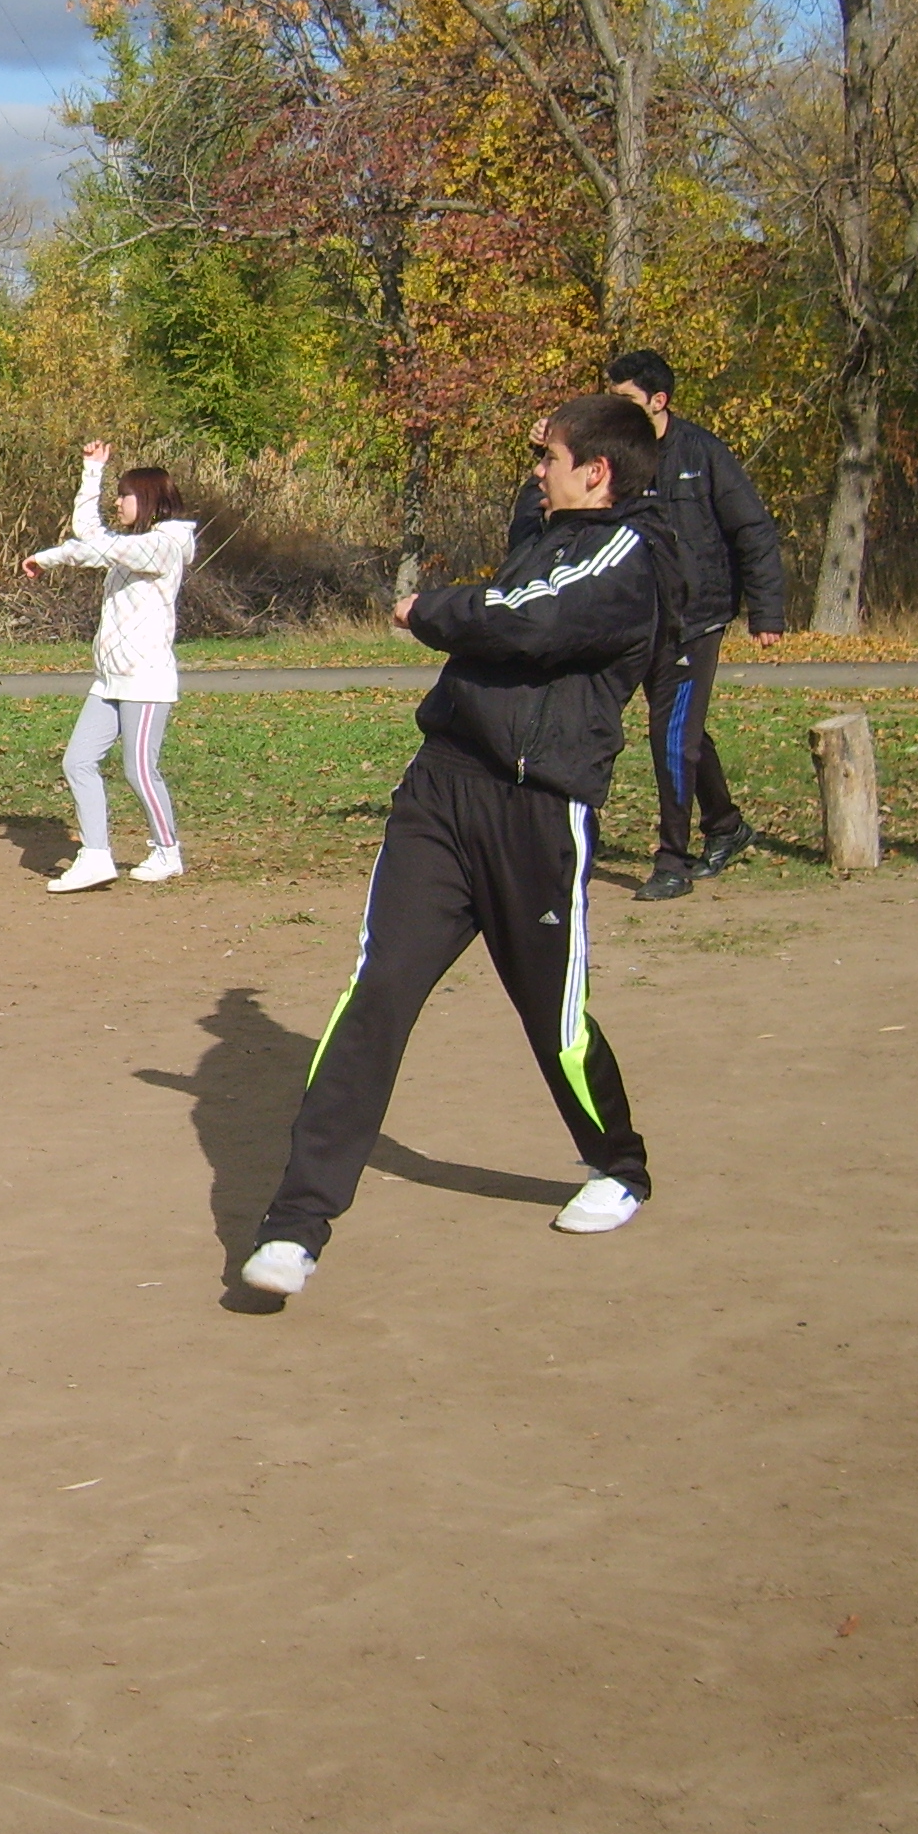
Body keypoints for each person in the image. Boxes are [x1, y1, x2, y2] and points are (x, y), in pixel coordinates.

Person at [239, 395, 681, 1304]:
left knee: (553, 1020)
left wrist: (431, 608)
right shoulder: (545, 530)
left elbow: (527, 620)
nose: (535, 467)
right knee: (378, 994)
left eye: (548, 455)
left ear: (596, 473)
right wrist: (472, 611)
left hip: (538, 815)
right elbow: (513, 611)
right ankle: (295, 1225)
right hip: (441, 793)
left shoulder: (631, 555)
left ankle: (620, 1166)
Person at [516, 350, 788, 899]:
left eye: (627, 401)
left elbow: (753, 529)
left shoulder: (702, 453)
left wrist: (767, 611)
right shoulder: (607, 455)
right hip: (629, 619)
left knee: (671, 735)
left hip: (695, 620)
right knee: (674, 732)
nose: (616, 410)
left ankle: (672, 861)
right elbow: (558, 509)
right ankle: (727, 827)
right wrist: (545, 452)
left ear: (659, 402)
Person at [22, 441, 197, 892]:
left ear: (150, 499)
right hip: (109, 680)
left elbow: (91, 534)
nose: (118, 502)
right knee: (78, 761)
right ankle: (96, 854)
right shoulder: (134, 546)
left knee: (140, 771)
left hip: (146, 680)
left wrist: (92, 471)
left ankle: (167, 851)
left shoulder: (162, 548)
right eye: (117, 494)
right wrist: (45, 558)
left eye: (125, 495)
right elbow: (87, 549)